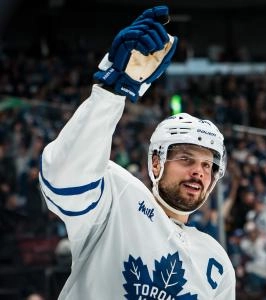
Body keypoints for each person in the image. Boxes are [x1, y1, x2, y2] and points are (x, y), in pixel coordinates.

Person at [38, 6, 236, 299]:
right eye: (186, 159)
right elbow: (63, 178)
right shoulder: (118, 197)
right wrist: (111, 91)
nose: (199, 172)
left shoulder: (217, 262)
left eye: (209, 166)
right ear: (156, 162)